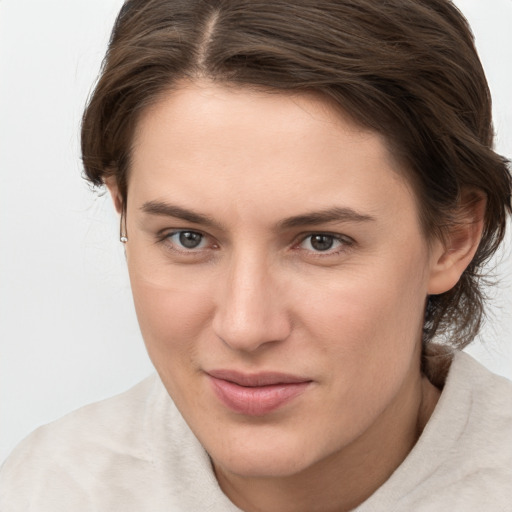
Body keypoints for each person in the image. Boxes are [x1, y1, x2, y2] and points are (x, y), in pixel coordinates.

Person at [1, 0, 511, 510]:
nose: (245, 327)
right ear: (123, 210)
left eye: (321, 242)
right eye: (188, 237)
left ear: (454, 235)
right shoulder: (44, 490)